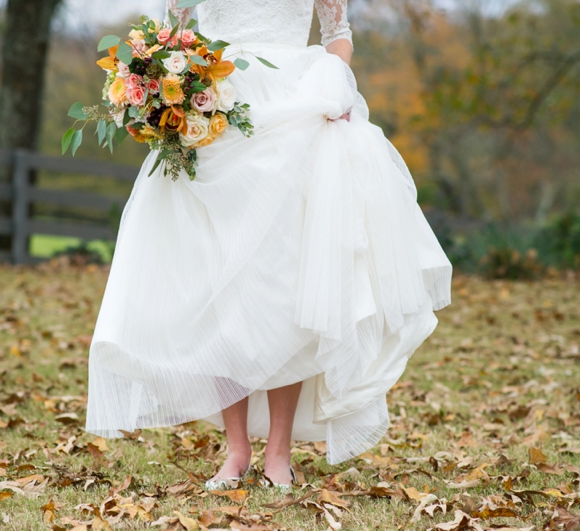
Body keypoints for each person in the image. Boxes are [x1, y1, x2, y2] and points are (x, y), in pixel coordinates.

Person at [84, 0, 452, 490]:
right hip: (212, 121)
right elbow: (172, 36)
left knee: (282, 279)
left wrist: (333, 88)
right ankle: (236, 450)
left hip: (292, 117)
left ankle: (279, 453)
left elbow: (336, 31)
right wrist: (157, 94)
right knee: (216, 281)